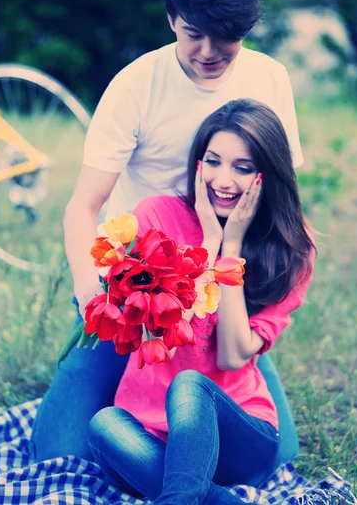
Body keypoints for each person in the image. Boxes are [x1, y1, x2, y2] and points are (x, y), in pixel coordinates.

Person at [30, 0, 304, 463]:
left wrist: (246, 303)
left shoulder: (269, 78)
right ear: (171, 17)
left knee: (278, 458)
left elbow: (283, 195)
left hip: (224, 284)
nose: (207, 53)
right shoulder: (136, 86)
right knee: (59, 452)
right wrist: (95, 300)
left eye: (226, 38)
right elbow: (82, 206)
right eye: (193, 33)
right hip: (142, 289)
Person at [87, 99, 315, 504]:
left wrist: (231, 247)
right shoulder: (156, 217)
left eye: (242, 168)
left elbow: (231, 356)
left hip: (238, 435)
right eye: (213, 161)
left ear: (267, 175)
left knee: (190, 385)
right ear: (197, 164)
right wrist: (207, 241)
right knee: (105, 425)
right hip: (149, 432)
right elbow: (155, 325)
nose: (223, 181)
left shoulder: (291, 250)